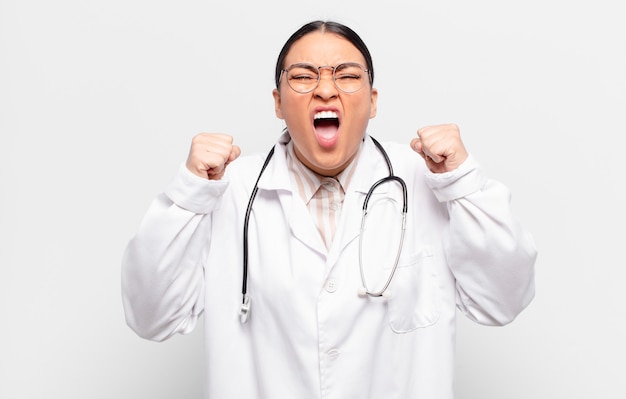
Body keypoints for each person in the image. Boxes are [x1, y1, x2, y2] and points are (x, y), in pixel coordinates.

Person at [121, 20, 537, 398]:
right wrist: (189, 194)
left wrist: (463, 183)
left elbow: (501, 301)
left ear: (373, 101)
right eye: (302, 77)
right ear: (278, 102)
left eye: (347, 76)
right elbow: (151, 317)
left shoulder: (426, 180)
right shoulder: (227, 191)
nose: (325, 89)